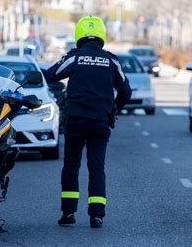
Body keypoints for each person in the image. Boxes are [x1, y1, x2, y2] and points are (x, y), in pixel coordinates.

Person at [45, 15, 132, 228]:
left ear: (79, 35)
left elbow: (50, 75)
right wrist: (115, 109)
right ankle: (97, 215)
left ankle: (68, 213)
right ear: (101, 35)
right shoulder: (111, 60)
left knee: (71, 166)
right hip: (100, 122)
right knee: (97, 168)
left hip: (76, 121)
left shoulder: (74, 57)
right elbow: (126, 92)